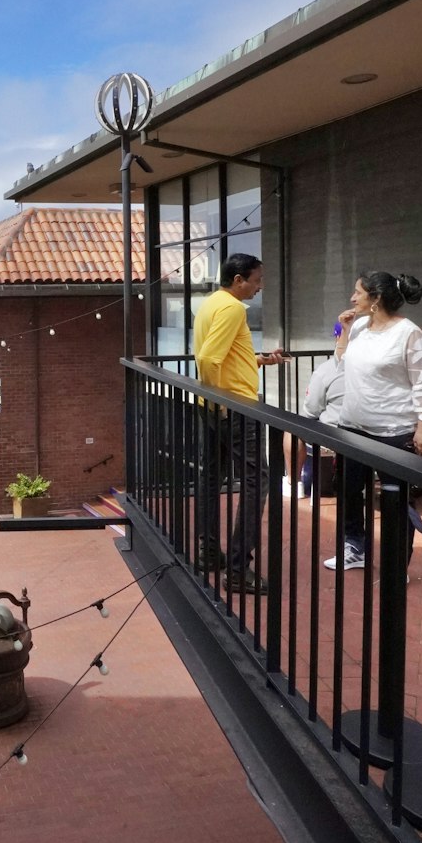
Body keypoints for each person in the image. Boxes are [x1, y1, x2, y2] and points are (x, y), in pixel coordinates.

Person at [325, 271, 422, 572]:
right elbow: (341, 363)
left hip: (393, 431)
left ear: (376, 299)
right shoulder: (359, 326)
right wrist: (345, 330)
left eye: (358, 292)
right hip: (352, 427)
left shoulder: (409, 333)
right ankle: (355, 548)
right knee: (347, 492)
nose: (352, 298)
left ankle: (397, 563)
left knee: (394, 500)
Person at [193, 253, 288, 593]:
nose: (260, 287)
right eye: (257, 280)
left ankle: (207, 552)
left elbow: (221, 354)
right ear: (238, 280)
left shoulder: (212, 302)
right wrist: (222, 402)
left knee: (211, 476)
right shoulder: (233, 308)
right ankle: (237, 569)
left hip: (213, 405)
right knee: (257, 481)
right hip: (232, 408)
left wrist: (258, 360)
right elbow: (207, 358)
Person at [285, 323, 347, 496]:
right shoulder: (374, 369)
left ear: (337, 338)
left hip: (335, 435)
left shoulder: (326, 370)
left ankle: (293, 483)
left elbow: (311, 411)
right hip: (371, 434)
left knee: (292, 430)